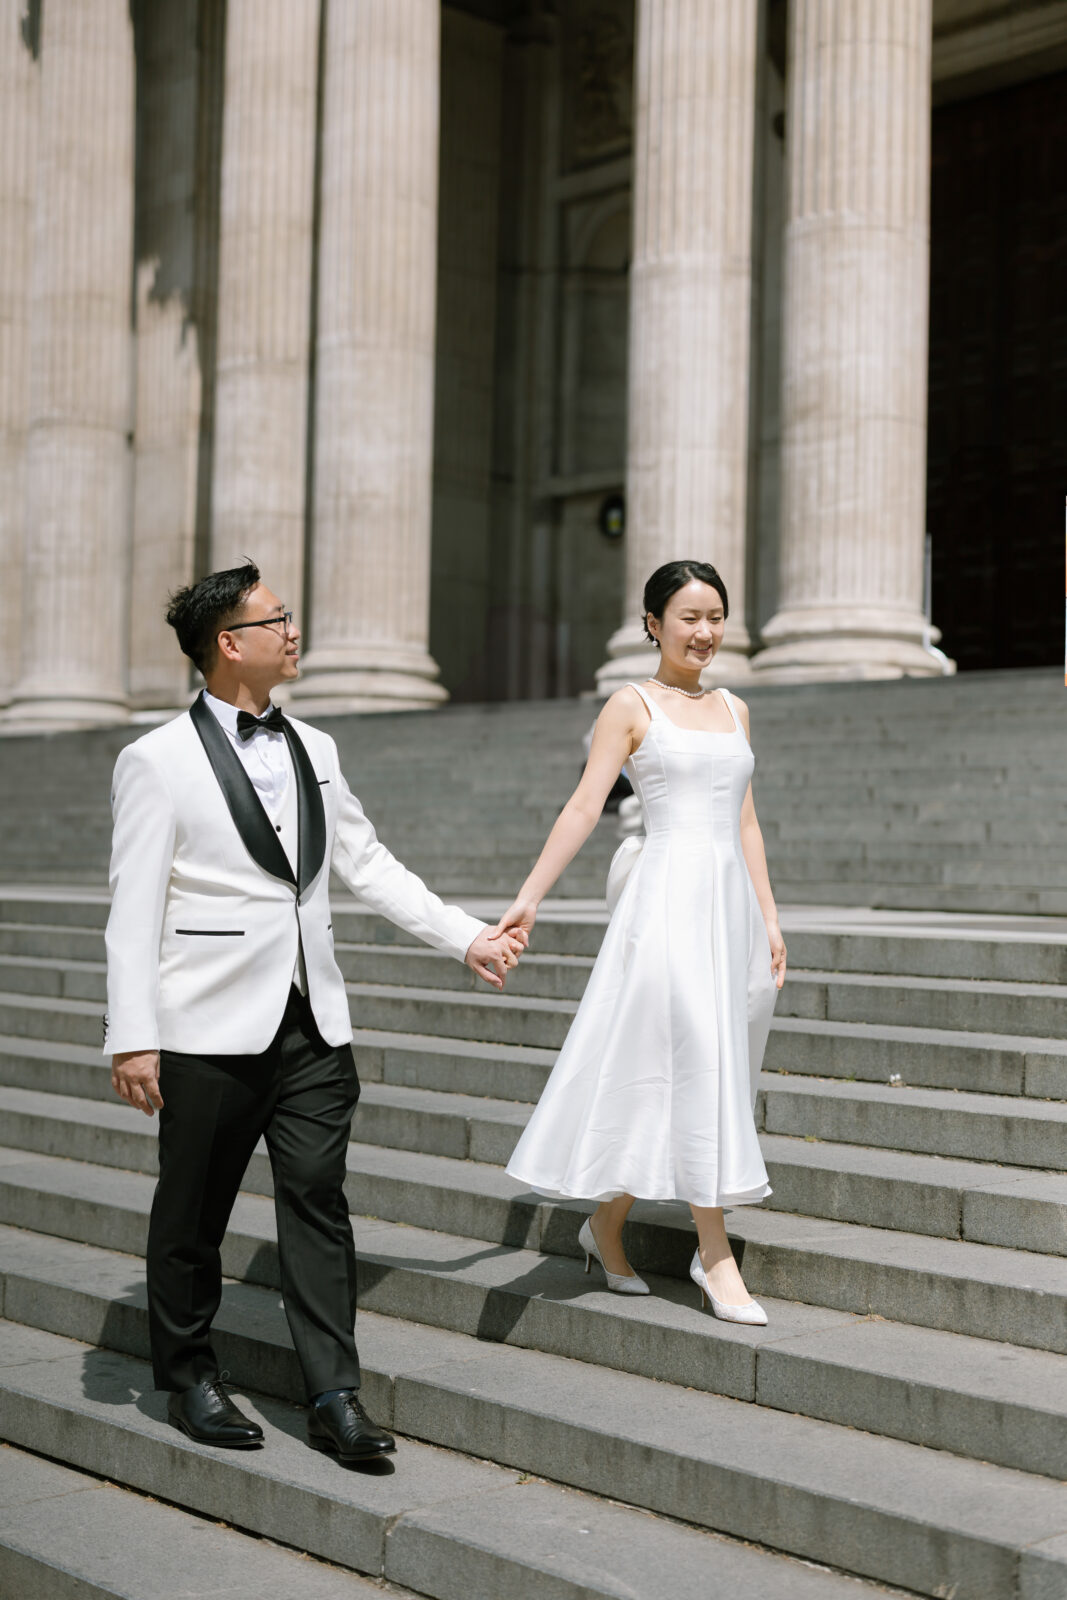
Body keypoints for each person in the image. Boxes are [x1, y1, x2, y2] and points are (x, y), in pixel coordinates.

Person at [104, 562, 523, 1462]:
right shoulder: (155, 760)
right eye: (276, 619)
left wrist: (466, 937)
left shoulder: (316, 748)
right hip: (204, 1026)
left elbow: (368, 866)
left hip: (312, 1027)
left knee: (318, 1204)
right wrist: (130, 1037)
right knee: (192, 1214)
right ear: (230, 643)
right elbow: (131, 908)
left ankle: (334, 1395)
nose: (293, 631)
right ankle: (187, 1378)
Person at [495, 560, 786, 1323]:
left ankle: (607, 1224)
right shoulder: (629, 705)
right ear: (653, 624)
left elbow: (745, 821)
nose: (705, 631)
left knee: (687, 1060)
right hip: (662, 903)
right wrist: (528, 898)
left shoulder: (734, 709)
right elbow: (584, 806)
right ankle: (713, 1255)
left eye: (716, 616)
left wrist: (769, 916)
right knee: (693, 1053)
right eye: (688, 616)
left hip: (726, 909)